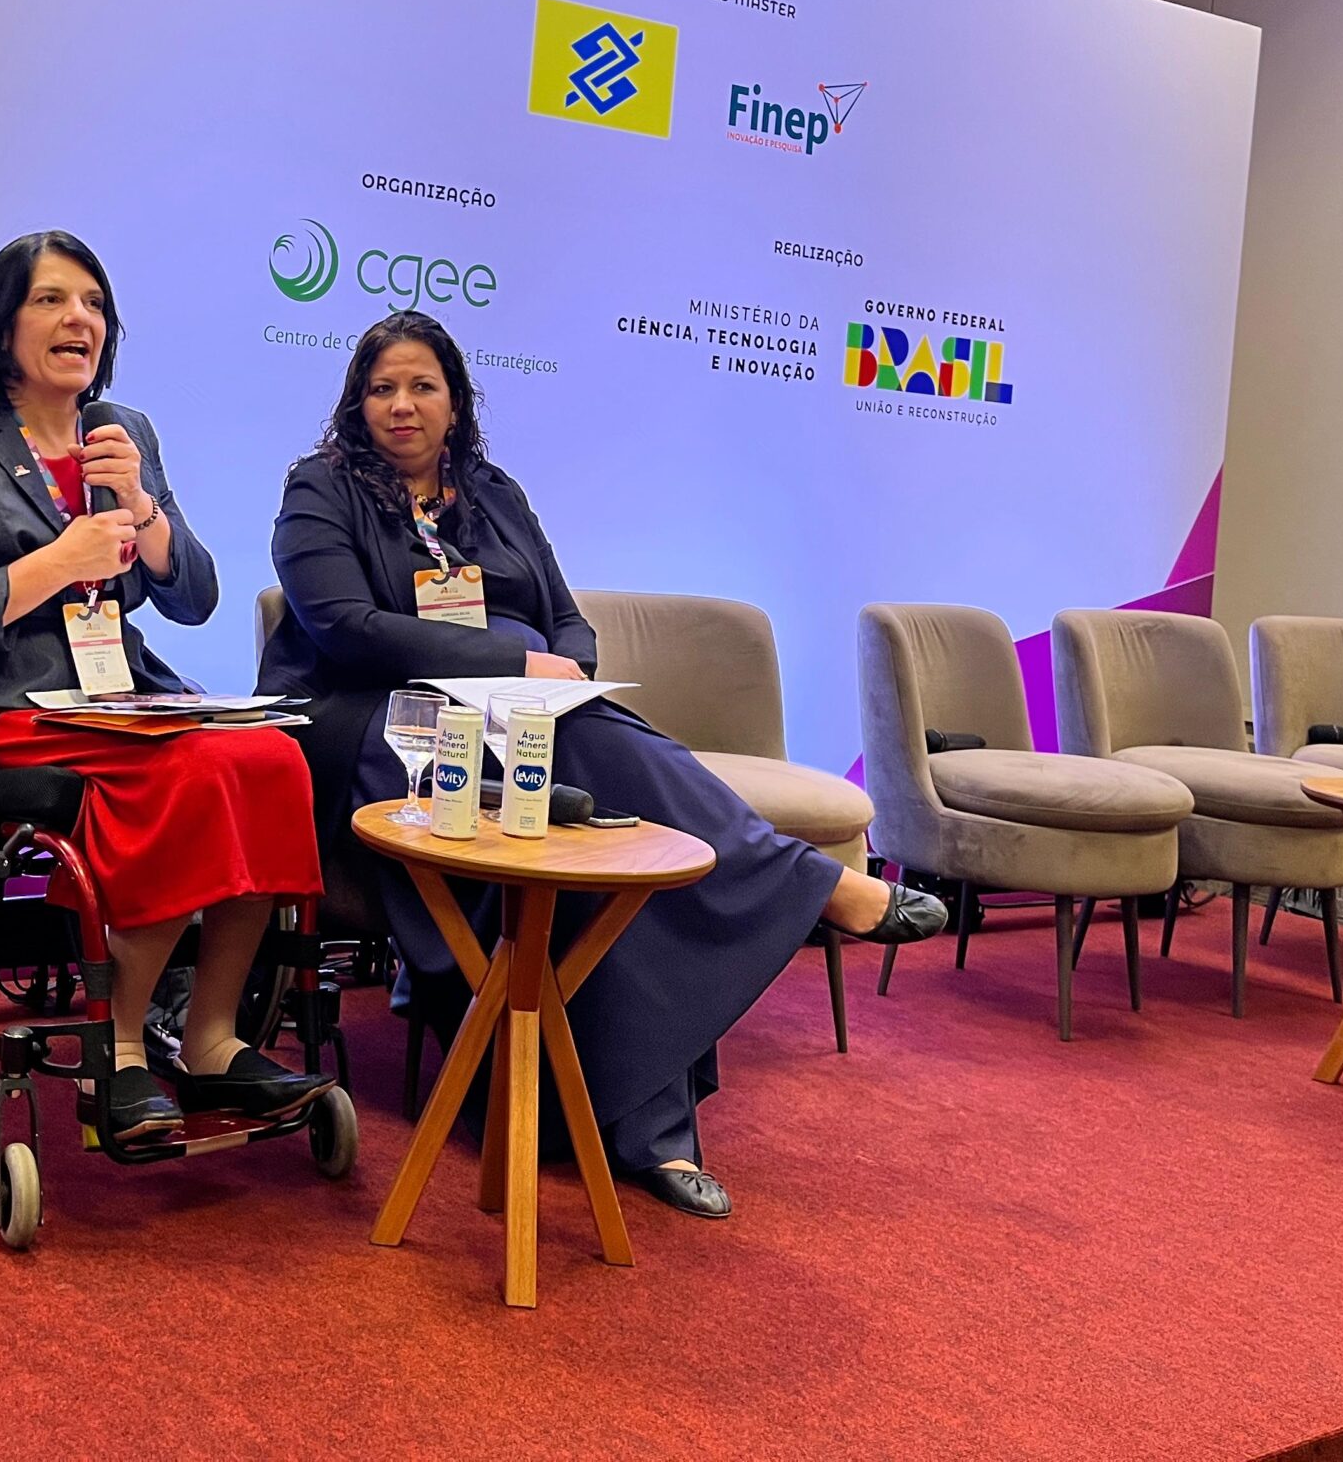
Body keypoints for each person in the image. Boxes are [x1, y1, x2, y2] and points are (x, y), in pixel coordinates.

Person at [257, 311, 947, 1217]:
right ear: (356, 401)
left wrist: (566, 669)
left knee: (612, 842)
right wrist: (516, 667)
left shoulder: (493, 494)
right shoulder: (320, 490)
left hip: (524, 719)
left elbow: (567, 615)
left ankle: (648, 1131)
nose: (401, 405)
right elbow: (346, 628)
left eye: (423, 386)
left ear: (456, 404)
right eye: (382, 387)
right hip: (380, 721)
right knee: (589, 772)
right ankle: (803, 891)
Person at [0, 231, 330, 1139]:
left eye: (92, 302)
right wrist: (54, 564)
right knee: (185, 774)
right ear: (3, 325)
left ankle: (210, 1038)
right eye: (50, 300)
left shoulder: (125, 433)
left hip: (120, 698)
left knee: (272, 759)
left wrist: (146, 517)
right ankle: (116, 1054)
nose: (77, 317)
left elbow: (195, 596)